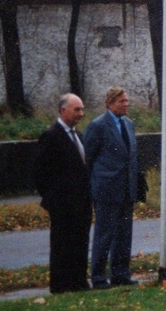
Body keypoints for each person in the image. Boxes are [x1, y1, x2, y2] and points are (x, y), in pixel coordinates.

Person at [33, 93, 92, 293]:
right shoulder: (51, 136)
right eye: (77, 109)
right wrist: (52, 199)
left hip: (82, 202)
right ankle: (60, 284)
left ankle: (79, 281)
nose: (81, 114)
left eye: (82, 109)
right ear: (63, 110)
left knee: (80, 242)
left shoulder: (79, 136)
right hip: (62, 203)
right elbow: (40, 172)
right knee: (62, 245)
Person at [84, 86, 140, 289]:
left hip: (127, 188)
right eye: (121, 101)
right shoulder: (98, 126)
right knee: (104, 234)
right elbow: (88, 158)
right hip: (106, 189)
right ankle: (98, 276)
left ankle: (121, 274)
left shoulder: (129, 124)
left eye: (127, 101)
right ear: (110, 103)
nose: (126, 104)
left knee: (124, 234)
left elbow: (132, 157)